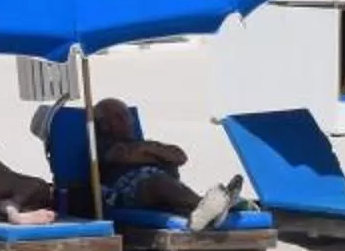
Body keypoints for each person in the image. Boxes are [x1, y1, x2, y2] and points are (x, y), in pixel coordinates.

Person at [86, 98, 241, 230]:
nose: (127, 121)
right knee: (159, 182)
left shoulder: (142, 143)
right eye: (118, 117)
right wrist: (157, 154)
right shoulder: (100, 145)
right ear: (104, 124)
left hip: (160, 186)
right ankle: (211, 206)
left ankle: (210, 209)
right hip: (126, 192)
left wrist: (147, 149)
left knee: (168, 187)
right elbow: (126, 156)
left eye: (127, 116)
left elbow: (180, 156)